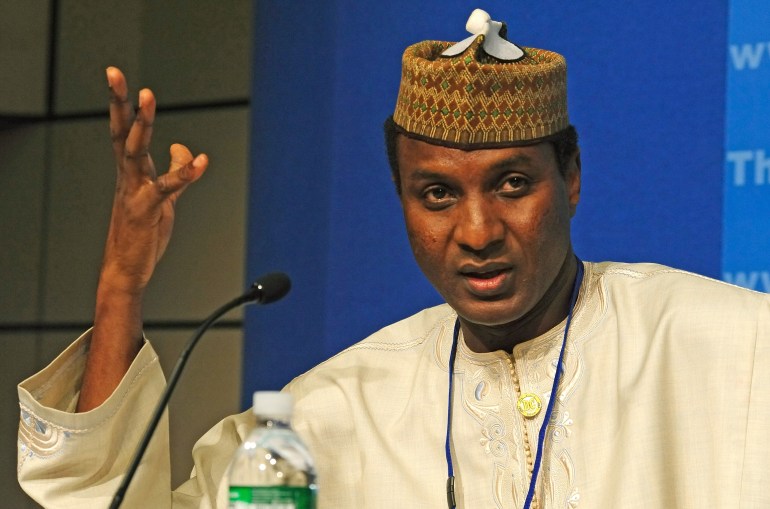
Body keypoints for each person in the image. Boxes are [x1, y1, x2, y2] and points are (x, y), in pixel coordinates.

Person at [17, 10, 770, 509]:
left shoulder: (735, 348)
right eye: (437, 195)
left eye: (512, 184)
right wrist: (121, 285)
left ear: (569, 177)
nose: (477, 230)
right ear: (401, 198)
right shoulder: (322, 417)